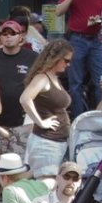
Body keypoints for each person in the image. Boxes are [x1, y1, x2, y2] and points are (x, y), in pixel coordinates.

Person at [49, 0, 102, 115]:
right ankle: (77, 119)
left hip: (95, 39)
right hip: (77, 39)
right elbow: (58, 11)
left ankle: (101, 116)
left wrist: (101, 19)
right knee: (75, 82)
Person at [20, 39, 73, 178]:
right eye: (66, 60)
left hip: (57, 142)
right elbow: (25, 99)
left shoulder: (53, 78)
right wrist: (41, 122)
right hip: (46, 143)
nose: (68, 65)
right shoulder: (42, 78)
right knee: (45, 185)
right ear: (56, 58)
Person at [0, 19, 37, 154]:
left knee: (19, 161)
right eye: (4, 33)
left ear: (20, 37)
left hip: (23, 121)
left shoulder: (33, 58)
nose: (8, 36)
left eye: (12, 33)